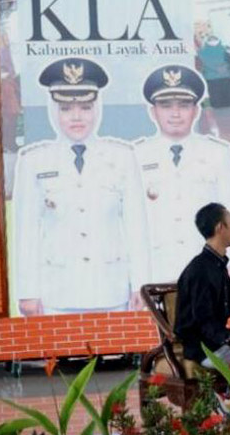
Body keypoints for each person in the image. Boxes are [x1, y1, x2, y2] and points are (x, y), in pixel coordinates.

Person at [13, 57, 150, 315]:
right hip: (57, 293)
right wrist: (27, 291)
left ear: (97, 109)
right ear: (53, 111)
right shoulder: (33, 160)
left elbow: (136, 226)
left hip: (111, 289)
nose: (76, 117)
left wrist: (141, 284)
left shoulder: (122, 156)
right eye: (66, 109)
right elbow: (26, 233)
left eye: (86, 107)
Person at [134, 65, 230, 283]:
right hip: (157, 265)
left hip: (206, 263)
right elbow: (133, 220)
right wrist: (137, 275)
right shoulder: (137, 155)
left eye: (184, 105)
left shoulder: (217, 153)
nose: (175, 114)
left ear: (196, 110)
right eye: (166, 106)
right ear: (153, 112)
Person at [175, 203, 230, 367]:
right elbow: (203, 320)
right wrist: (228, 338)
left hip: (216, 343)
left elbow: (225, 310)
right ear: (220, 227)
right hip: (203, 349)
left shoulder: (217, 264)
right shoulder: (200, 269)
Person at [197, 36, 230, 108]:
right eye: (211, 40)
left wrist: (227, 67)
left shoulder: (225, 49)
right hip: (212, 78)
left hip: (225, 77)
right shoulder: (201, 52)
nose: (213, 41)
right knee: (218, 102)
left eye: (214, 39)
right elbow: (201, 65)